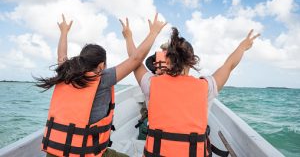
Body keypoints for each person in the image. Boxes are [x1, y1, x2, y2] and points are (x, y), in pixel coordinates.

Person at [36, 14, 166, 157]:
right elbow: (136, 59)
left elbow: (61, 56)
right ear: (101, 65)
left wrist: (64, 33)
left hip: (54, 152)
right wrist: (153, 32)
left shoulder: (65, 73)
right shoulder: (103, 78)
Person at [122, 23, 259, 157]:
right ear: (192, 62)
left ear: (167, 61)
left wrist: (128, 37)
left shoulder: (151, 84)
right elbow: (229, 65)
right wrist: (242, 47)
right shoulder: (206, 86)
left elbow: (134, 62)